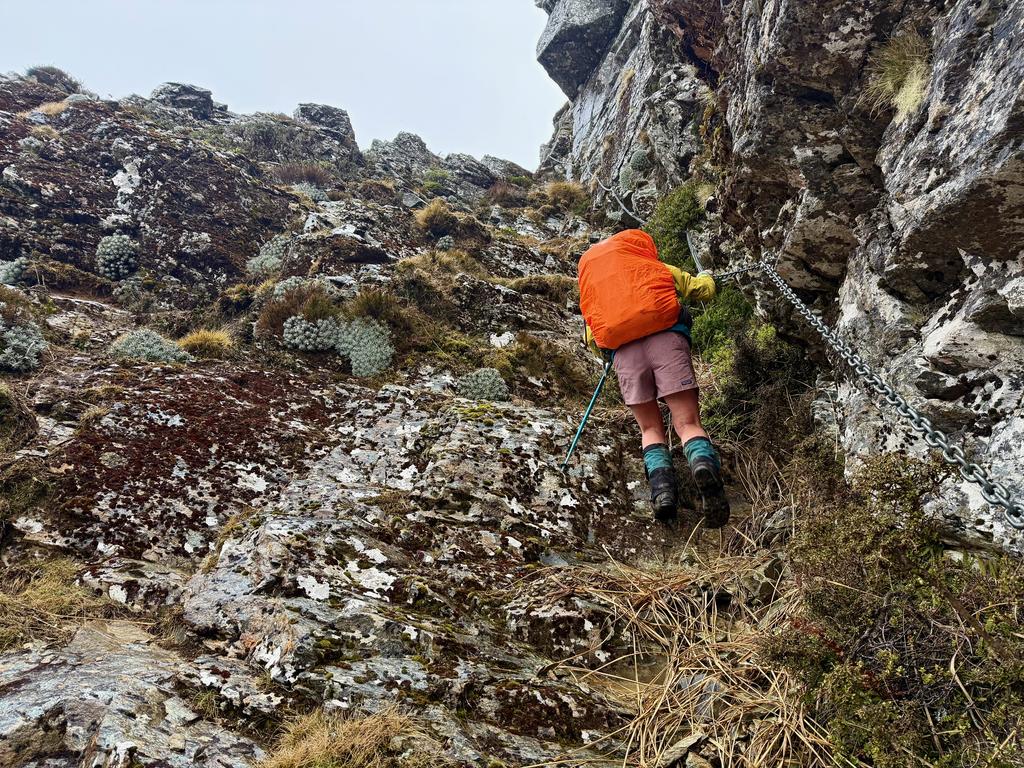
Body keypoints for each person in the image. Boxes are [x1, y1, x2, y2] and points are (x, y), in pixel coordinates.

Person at [579, 229, 729, 528]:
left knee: (649, 428)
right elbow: (703, 291)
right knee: (687, 423)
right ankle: (702, 466)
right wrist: (709, 276)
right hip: (667, 343)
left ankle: (663, 494)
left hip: (625, 357)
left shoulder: (597, 291)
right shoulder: (656, 269)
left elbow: (592, 337)